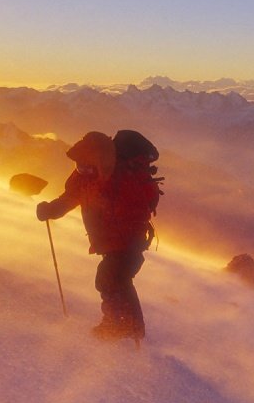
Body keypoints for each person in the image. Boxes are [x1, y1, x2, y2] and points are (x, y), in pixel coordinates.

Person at [37, 129, 162, 341]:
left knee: (109, 278)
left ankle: (118, 326)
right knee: (118, 280)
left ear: (99, 161)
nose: (82, 169)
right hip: (117, 241)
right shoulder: (86, 178)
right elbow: (69, 199)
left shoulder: (117, 179)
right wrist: (50, 210)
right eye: (79, 165)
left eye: (86, 165)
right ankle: (131, 328)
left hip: (127, 241)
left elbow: (133, 209)